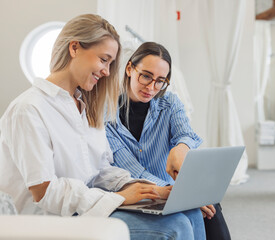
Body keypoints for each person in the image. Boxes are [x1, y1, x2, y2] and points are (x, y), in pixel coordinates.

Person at [0, 14, 205, 240]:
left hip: (89, 209)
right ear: (75, 48)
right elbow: (44, 193)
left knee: (191, 213)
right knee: (176, 227)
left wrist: (145, 188)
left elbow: (100, 170)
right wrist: (119, 198)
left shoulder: (85, 107)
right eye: (103, 59)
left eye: (110, 63)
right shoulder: (28, 109)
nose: (107, 72)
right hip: (53, 221)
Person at [106, 41, 231, 240]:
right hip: (136, 195)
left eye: (160, 81)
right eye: (146, 76)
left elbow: (186, 134)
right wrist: (177, 193)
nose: (151, 87)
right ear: (130, 68)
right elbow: (134, 171)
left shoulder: (170, 103)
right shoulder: (107, 116)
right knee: (196, 207)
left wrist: (181, 148)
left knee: (209, 206)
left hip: (170, 191)